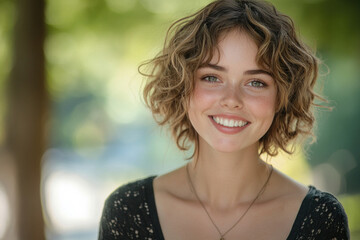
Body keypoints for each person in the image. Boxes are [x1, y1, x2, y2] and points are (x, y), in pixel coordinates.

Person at [98, 0, 350, 239]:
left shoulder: (321, 219)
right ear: (182, 85)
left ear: (282, 98)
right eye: (211, 77)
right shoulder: (127, 211)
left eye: (255, 82)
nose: (231, 99)